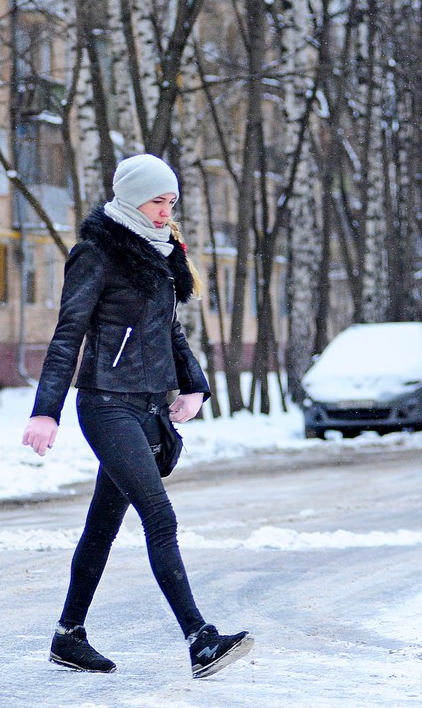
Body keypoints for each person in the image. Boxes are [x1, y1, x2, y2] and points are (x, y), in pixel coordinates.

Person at [21, 153, 254, 679]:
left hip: (146, 406)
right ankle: (200, 640)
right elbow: (67, 334)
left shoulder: (161, 254)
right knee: (159, 515)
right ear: (130, 197)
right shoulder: (97, 254)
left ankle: (68, 635)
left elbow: (170, 332)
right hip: (105, 404)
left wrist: (194, 386)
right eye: (156, 200)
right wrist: (45, 411)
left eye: (170, 201)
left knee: (102, 525)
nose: (164, 211)